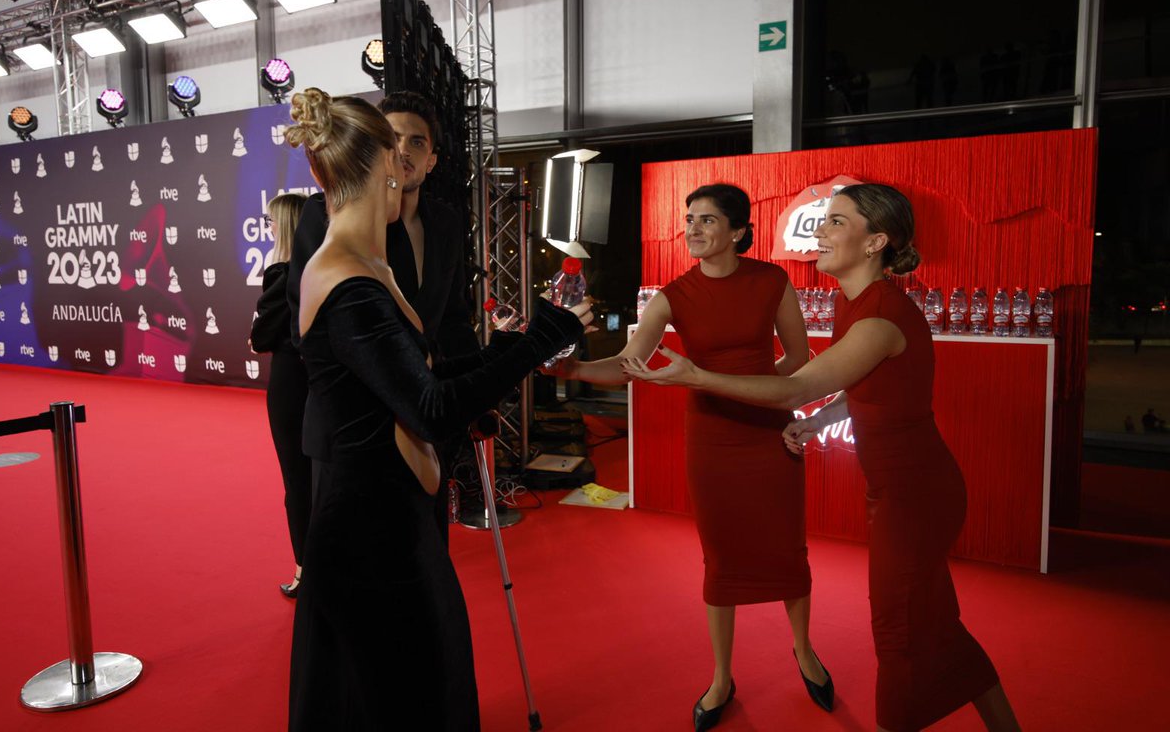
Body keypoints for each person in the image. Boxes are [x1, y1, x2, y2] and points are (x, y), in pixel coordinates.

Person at [623, 183, 1021, 732]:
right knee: (936, 623)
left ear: (876, 241)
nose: (819, 232)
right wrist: (818, 421)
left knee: (900, 635)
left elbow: (794, 386)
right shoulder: (849, 302)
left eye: (836, 222)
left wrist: (696, 376)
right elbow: (863, 390)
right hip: (898, 491)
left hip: (916, 496)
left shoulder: (881, 315)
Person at [284, 87, 590, 731]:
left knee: (420, 685)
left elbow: (423, 372)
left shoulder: (363, 264)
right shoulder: (348, 278)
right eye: (398, 153)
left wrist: (513, 345)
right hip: (371, 536)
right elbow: (430, 407)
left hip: (395, 521)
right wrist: (540, 341)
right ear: (387, 168)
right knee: (403, 697)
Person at [551, 183, 832, 731]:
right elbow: (628, 364)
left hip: (767, 432)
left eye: (707, 220)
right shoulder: (674, 295)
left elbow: (798, 359)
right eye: (689, 219)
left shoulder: (772, 280)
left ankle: (804, 650)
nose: (693, 230)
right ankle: (722, 678)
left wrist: (743, 386)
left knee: (785, 546)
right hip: (712, 440)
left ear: (738, 232)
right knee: (720, 556)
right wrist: (576, 370)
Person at [286, 90, 477, 546]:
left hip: (427, 423)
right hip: (354, 436)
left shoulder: (447, 223)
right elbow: (308, 326)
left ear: (432, 159)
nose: (403, 152)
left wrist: (472, 397)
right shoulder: (327, 216)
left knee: (425, 555)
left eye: (417, 142)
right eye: (393, 139)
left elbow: (451, 319)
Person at [250, 192, 311, 598]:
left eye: (271, 221)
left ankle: (306, 571)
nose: (267, 227)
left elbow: (260, 338)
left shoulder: (282, 273)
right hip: (324, 381)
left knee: (298, 479)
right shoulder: (324, 269)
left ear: (284, 227)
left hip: (291, 385)